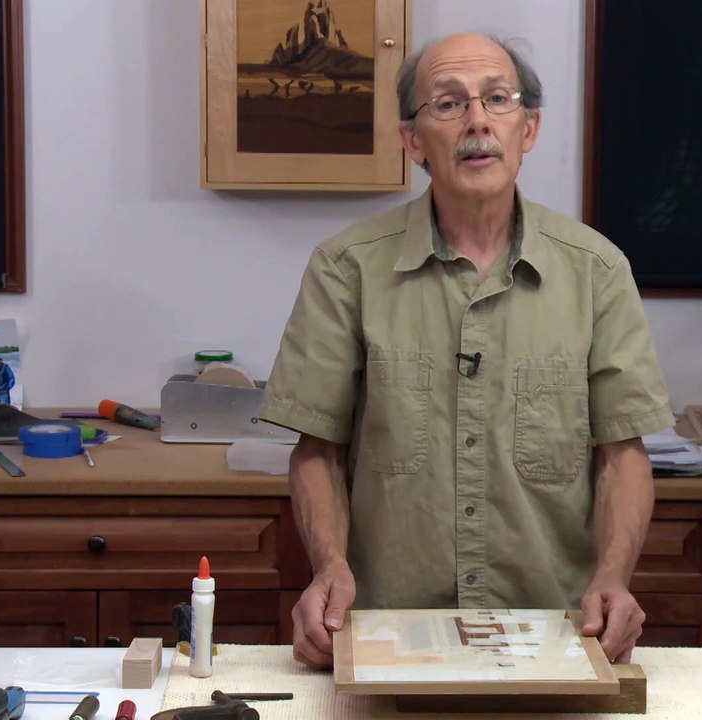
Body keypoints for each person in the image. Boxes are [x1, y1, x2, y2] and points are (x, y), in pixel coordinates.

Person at [259, 32, 673, 670]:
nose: (477, 121)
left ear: (528, 129)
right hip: (390, 635)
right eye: (449, 104)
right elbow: (318, 451)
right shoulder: (347, 269)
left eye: (498, 99)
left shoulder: (597, 271)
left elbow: (623, 455)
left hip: (555, 636)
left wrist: (614, 576)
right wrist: (329, 567)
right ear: (412, 140)